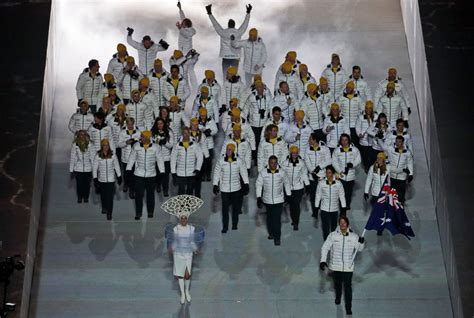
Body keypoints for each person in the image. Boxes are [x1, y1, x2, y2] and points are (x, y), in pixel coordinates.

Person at [320, 215, 365, 316]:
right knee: (337, 285)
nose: (342, 225)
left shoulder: (354, 236)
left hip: (348, 267)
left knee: (348, 288)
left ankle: (348, 308)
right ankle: (338, 296)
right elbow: (325, 247)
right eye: (340, 223)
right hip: (335, 267)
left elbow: (359, 248)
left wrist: (361, 243)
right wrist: (323, 261)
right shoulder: (333, 236)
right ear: (338, 224)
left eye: (344, 223)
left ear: (347, 224)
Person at [205, 3, 252, 80]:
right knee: (234, 76)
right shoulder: (239, 32)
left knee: (225, 76)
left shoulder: (223, 32)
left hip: (226, 57)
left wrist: (210, 14)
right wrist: (248, 13)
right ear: (234, 25)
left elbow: (215, 24)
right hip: (235, 57)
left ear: (228, 25)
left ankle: (225, 89)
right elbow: (245, 24)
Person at [126, 130, 165, 220]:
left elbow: (160, 160)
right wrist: (128, 169)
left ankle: (150, 211)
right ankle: (138, 213)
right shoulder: (136, 146)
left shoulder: (156, 147)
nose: (141, 138)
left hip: (151, 175)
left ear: (148, 138)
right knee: (138, 195)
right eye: (141, 136)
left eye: (143, 137)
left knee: (150, 195)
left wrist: (162, 172)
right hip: (138, 174)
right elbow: (132, 158)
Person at [213, 143, 250, 232]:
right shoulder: (221, 161)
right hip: (224, 189)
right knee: (225, 208)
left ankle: (234, 224)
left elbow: (243, 172)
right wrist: (215, 184)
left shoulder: (239, 161)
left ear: (234, 151)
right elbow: (216, 173)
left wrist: (246, 183)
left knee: (235, 208)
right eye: (228, 149)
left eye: (230, 150)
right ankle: (225, 227)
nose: (229, 151)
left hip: (236, 188)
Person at [256, 155, 292, 246]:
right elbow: (259, 184)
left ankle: (277, 238)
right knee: (269, 218)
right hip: (267, 200)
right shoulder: (263, 173)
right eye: (271, 162)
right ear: (268, 163)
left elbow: (287, 183)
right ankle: (271, 233)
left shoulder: (282, 172)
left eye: (275, 162)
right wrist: (258, 197)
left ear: (277, 163)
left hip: (278, 200)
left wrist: (288, 195)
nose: (273, 164)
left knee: (276, 219)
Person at [170, 214, 198, 304]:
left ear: (187, 219)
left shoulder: (191, 228)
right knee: (180, 275)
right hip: (178, 254)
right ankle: (182, 293)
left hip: (188, 254)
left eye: (185, 218)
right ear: (179, 219)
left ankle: (187, 291)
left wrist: (195, 249)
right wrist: (172, 248)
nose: (183, 220)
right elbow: (175, 241)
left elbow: (192, 241)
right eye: (182, 218)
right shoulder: (176, 229)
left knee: (187, 274)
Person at [377, 135, 414, 204]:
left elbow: (410, 163)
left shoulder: (407, 153)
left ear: (403, 143)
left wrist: (411, 174)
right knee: (391, 194)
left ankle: (400, 209)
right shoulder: (391, 149)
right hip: (392, 176)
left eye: (399, 142)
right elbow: (383, 147)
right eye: (396, 141)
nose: (397, 143)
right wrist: (379, 138)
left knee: (401, 196)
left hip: (402, 177)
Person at [93, 139, 122, 220]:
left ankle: (109, 213)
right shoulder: (98, 155)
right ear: (102, 146)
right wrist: (95, 179)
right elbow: (95, 168)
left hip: (111, 179)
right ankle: (104, 207)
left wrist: (119, 176)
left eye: (107, 145)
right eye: (104, 146)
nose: (106, 147)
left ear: (109, 146)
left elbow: (116, 166)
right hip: (101, 179)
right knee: (103, 195)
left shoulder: (113, 155)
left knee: (109, 197)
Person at [304, 133, 332, 217]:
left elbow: (329, 161)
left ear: (315, 140)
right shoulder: (307, 149)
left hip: (323, 176)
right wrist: (313, 172)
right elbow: (307, 162)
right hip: (312, 177)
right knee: (313, 195)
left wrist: (319, 168)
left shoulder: (325, 148)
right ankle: (315, 211)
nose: (309, 140)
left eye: (310, 139)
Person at [282, 145, 309, 231]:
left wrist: (307, 185)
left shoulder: (301, 163)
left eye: (296, 153)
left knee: (296, 206)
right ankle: (294, 219)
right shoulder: (285, 163)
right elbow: (282, 174)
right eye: (293, 153)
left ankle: (296, 222)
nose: (294, 154)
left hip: (298, 187)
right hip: (288, 188)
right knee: (291, 205)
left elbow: (304, 174)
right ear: (290, 153)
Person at [315, 165, 346, 240]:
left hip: (334, 209)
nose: (328, 174)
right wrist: (316, 207)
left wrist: (343, 208)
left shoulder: (338, 184)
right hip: (324, 209)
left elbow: (342, 196)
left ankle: (333, 241)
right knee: (325, 227)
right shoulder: (321, 183)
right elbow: (318, 195)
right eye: (327, 173)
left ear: (333, 173)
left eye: (329, 173)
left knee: (333, 227)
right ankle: (326, 241)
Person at [243, 80, 270, 163]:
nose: (260, 89)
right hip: (253, 124)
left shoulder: (268, 97)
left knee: (262, 142)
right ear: (256, 88)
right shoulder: (251, 97)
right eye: (258, 87)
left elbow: (271, 106)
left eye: (261, 87)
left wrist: (270, 118)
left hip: (264, 124)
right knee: (254, 141)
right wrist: (243, 118)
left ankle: (261, 159)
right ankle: (254, 159)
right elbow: (246, 108)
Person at [331, 134, 361, 210]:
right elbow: (334, 162)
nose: (344, 142)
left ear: (349, 140)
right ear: (340, 141)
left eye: (346, 140)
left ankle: (347, 203)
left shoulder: (354, 149)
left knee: (349, 192)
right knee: (341, 191)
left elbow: (358, 160)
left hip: (351, 175)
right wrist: (339, 171)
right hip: (340, 175)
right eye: (342, 140)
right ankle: (342, 205)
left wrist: (352, 165)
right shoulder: (337, 150)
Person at [171, 127, 204, 195]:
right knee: (181, 190)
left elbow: (200, 157)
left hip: (191, 172)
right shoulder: (177, 146)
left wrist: (198, 168)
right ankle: (181, 205)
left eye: (187, 133)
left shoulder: (195, 145)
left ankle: (189, 205)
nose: (185, 135)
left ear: (189, 133)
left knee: (190, 190)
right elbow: (173, 158)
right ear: (182, 134)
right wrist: (173, 172)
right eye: (184, 133)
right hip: (180, 172)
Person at [176, 1, 198, 89]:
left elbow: (184, 33)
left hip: (188, 56)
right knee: (184, 73)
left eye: (183, 23)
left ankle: (195, 88)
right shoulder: (184, 28)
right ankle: (186, 88)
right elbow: (183, 17)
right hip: (183, 55)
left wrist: (179, 28)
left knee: (190, 72)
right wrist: (180, 8)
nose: (181, 23)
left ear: (187, 25)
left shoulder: (189, 31)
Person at [151, 117, 175, 197]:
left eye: (161, 123)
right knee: (157, 173)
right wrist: (156, 143)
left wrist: (164, 142)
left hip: (166, 157)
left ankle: (165, 190)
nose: (160, 125)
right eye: (158, 124)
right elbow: (150, 145)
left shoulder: (169, 132)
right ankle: (158, 185)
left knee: (166, 175)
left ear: (164, 124)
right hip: (156, 158)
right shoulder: (153, 132)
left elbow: (171, 145)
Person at [117, 117, 140, 198]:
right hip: (125, 157)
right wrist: (126, 142)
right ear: (126, 124)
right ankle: (126, 184)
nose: (130, 126)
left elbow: (141, 143)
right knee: (126, 174)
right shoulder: (122, 132)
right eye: (128, 124)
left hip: (135, 158)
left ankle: (132, 190)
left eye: (131, 124)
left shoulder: (138, 132)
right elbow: (119, 144)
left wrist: (136, 142)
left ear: (133, 123)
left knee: (133, 175)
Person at [69, 130, 95, 203]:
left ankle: (86, 196)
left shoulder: (90, 144)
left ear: (86, 135)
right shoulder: (75, 145)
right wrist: (71, 169)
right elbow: (73, 157)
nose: (82, 136)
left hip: (88, 168)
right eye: (80, 135)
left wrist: (94, 169)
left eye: (84, 135)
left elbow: (93, 157)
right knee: (79, 184)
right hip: (78, 168)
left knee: (87, 184)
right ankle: (80, 197)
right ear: (78, 136)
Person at [338, 81, 363, 146]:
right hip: (344, 125)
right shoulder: (341, 98)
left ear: (353, 88)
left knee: (355, 144)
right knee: (344, 143)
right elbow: (337, 109)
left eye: (349, 88)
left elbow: (362, 110)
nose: (347, 89)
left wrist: (358, 118)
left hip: (354, 126)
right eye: (347, 87)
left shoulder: (358, 98)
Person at [189, 118, 210, 198]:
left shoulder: (202, 135)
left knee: (198, 177)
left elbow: (204, 146)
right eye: (193, 124)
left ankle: (197, 194)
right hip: (190, 158)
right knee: (191, 178)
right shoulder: (187, 134)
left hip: (199, 158)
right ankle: (190, 194)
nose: (194, 126)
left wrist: (207, 157)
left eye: (196, 125)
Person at [355, 100, 377, 171]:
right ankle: (366, 168)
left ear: (372, 109)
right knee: (364, 157)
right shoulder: (361, 117)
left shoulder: (376, 116)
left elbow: (377, 127)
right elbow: (357, 126)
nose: (368, 110)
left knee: (372, 157)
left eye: (370, 108)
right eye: (366, 108)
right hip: (363, 141)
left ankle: (371, 169)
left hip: (373, 142)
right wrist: (359, 134)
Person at [197, 108, 218, 181]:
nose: (203, 116)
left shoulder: (211, 121)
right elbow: (196, 129)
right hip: (201, 144)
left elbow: (215, 130)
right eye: (201, 115)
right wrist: (204, 129)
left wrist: (209, 133)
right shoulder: (197, 121)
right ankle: (202, 174)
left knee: (209, 160)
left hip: (209, 144)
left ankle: (208, 174)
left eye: (204, 115)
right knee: (202, 160)